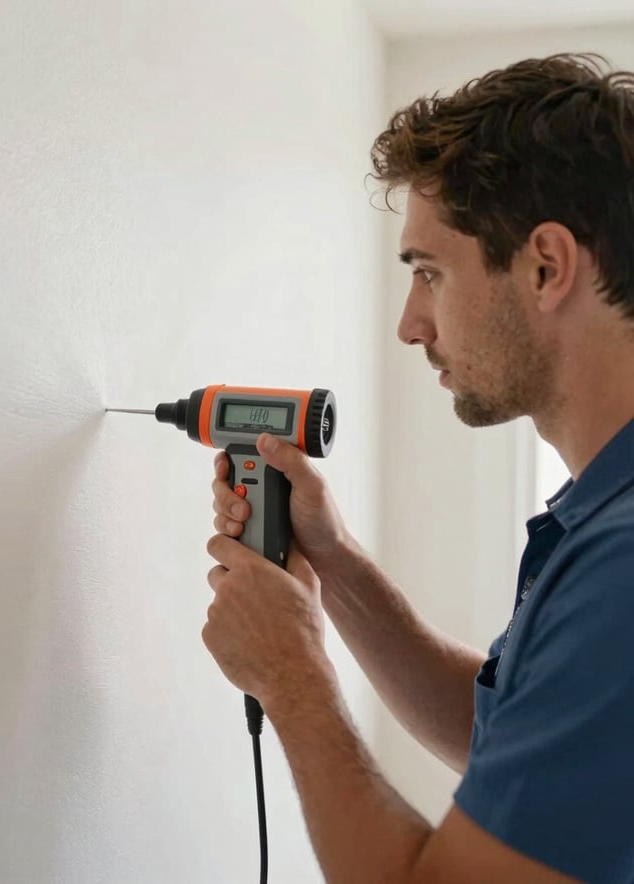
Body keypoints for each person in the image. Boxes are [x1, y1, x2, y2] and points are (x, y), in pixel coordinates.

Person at [203, 52, 634, 884]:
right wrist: (334, 561)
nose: (410, 325)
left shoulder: (621, 565)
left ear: (546, 266)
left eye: (430, 273)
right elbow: (508, 743)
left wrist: (291, 676)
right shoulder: (598, 518)